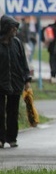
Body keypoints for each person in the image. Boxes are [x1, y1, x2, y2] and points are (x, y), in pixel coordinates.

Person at [0, 16, 32, 149]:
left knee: (13, 111)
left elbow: (23, 62)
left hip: (16, 82)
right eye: (13, 27)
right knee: (0, 112)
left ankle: (12, 138)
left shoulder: (17, 43)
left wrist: (27, 80)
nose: (15, 30)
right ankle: (1, 138)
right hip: (1, 83)